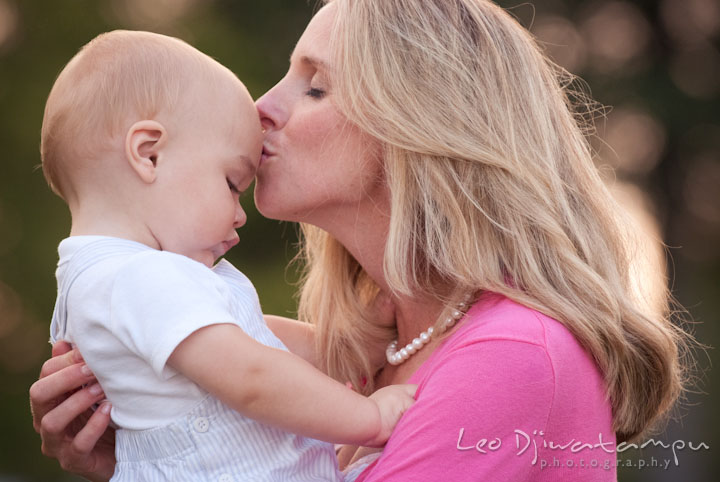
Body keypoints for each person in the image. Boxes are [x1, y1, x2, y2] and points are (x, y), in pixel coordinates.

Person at [30, 1, 694, 481]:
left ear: (420, 126)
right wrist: (149, 440)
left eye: (314, 85)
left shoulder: (513, 357)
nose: (262, 106)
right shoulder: (368, 355)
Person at [35, 29, 417, 482]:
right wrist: (370, 419)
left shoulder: (123, 277)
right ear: (149, 155)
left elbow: (248, 337)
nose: (240, 216)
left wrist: (357, 346)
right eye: (232, 184)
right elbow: (252, 375)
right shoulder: (135, 279)